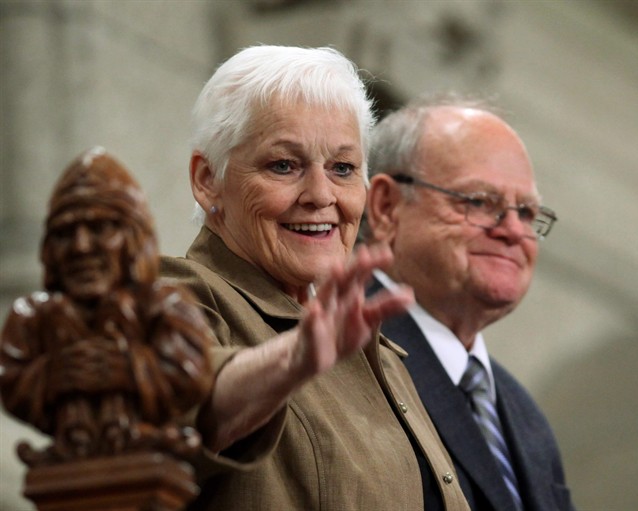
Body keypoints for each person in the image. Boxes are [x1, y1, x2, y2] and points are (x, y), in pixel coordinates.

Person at [160, 46, 470, 510]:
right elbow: (172, 414)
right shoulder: (172, 295)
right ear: (208, 180)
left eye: (343, 169)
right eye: (283, 165)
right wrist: (293, 359)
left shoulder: (380, 354)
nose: (321, 195)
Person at [364, 95, 575, 511]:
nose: (515, 232)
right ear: (387, 208)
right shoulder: (327, 353)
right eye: (480, 202)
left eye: (528, 212)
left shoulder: (525, 416)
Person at [0, 148, 214, 465]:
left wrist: (125, 368)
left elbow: (191, 372)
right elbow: (11, 379)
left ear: (133, 239)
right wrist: (56, 375)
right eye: (64, 233)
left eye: (100, 229)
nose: (81, 247)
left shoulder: (166, 307)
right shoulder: (31, 320)